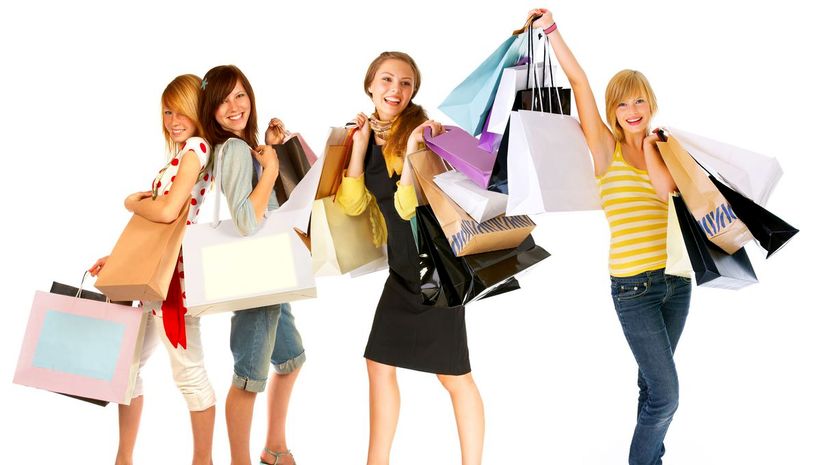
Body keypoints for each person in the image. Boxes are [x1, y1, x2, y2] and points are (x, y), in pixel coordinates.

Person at [528, 8, 690, 465]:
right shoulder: (605, 148)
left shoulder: (666, 149)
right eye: (622, 103)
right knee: (667, 394)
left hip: (677, 282)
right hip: (634, 287)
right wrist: (552, 31)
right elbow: (579, 82)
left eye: (639, 101)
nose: (632, 111)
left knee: (651, 387)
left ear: (650, 103)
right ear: (611, 110)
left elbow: (666, 192)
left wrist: (655, 147)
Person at [336, 51, 485, 465]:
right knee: (378, 361)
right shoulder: (367, 137)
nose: (395, 90)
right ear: (370, 85)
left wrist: (414, 149)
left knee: (453, 374)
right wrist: (360, 146)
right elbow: (351, 204)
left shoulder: (425, 133)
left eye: (405, 83)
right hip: (403, 269)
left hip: (437, 267)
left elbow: (406, 207)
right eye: (386, 80)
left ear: (413, 90)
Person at [88, 74, 216, 465]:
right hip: (153, 275)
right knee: (124, 368)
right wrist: (121, 259)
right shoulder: (178, 155)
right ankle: (123, 458)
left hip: (174, 280)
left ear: (199, 111)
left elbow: (165, 212)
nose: (173, 119)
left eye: (182, 110)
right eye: (167, 111)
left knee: (189, 374)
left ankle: (203, 461)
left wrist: (130, 201)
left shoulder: (196, 147)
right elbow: (156, 227)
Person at [197, 64, 305, 465]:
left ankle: (274, 448)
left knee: (291, 360)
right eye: (223, 100)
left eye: (240, 95)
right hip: (257, 277)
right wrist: (271, 169)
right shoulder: (234, 150)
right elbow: (245, 221)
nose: (234, 105)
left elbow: (265, 205)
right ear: (211, 111)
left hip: (273, 273)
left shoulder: (246, 148)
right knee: (248, 378)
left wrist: (270, 152)